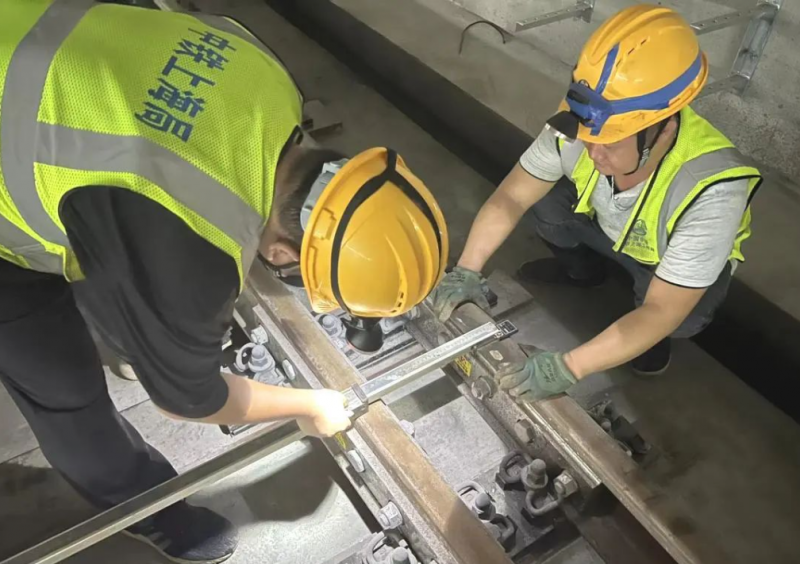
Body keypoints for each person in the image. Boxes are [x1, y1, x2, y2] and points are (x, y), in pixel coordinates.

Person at [0, 2, 447, 562]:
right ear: (282, 253)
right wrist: (312, 406)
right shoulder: (188, 249)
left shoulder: (268, 75)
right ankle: (141, 505)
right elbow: (190, 401)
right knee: (64, 390)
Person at [432, 5, 761, 402]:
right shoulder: (582, 122)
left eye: (610, 142)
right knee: (547, 201)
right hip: (607, 225)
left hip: (663, 265)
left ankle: (649, 339)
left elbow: (662, 308)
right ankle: (583, 273)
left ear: (663, 128)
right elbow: (512, 196)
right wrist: (466, 270)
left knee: (678, 317)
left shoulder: (713, 189)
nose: (592, 151)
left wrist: (569, 367)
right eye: (589, 137)